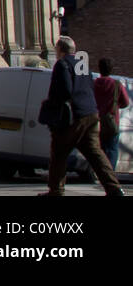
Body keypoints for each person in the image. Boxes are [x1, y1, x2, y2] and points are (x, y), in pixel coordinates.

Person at [41, 37, 123, 197]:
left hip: (74, 116)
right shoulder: (82, 65)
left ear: (60, 49)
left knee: (59, 152)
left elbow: (64, 90)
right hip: (91, 113)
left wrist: (51, 103)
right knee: (95, 152)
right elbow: (88, 86)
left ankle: (56, 190)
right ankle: (114, 188)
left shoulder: (62, 64)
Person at [93, 57, 130, 173]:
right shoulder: (116, 84)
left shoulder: (93, 83)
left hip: (96, 122)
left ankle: (98, 172)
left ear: (99, 69)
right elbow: (125, 102)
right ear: (111, 69)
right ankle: (110, 174)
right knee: (112, 149)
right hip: (112, 122)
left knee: (98, 150)